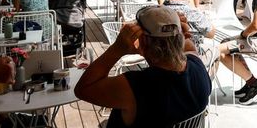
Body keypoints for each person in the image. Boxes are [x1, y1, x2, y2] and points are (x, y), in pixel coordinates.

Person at [74, 7, 210, 128]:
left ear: (143, 41)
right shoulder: (198, 68)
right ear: (180, 38)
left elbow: (83, 89)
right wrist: (175, 28)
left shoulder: (136, 86)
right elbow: (189, 47)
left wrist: (117, 49)